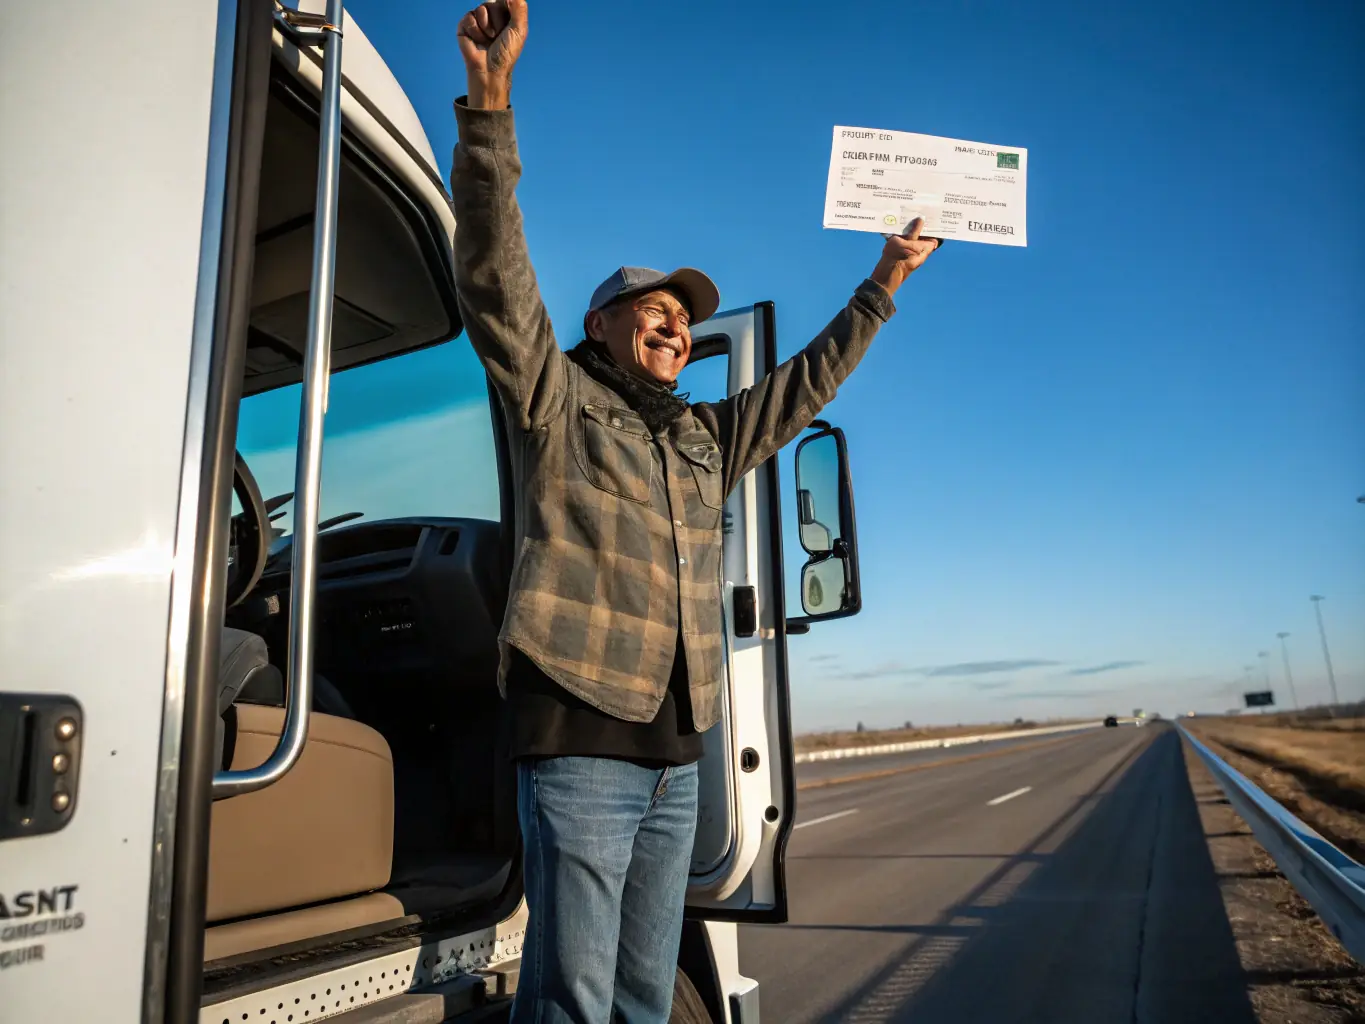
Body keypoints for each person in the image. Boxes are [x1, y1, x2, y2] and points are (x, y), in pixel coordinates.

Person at [451, 2, 939, 1020]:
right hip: (581, 741)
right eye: (654, 310)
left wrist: (883, 282)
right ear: (603, 326)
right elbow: (495, 271)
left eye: (684, 316)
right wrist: (490, 106)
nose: (676, 325)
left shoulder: (702, 438)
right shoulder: (558, 397)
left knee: (643, 994)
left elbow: (807, 384)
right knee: (574, 997)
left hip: (679, 757)